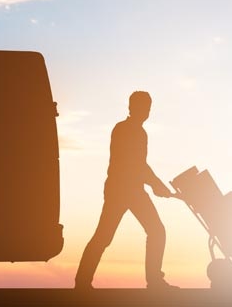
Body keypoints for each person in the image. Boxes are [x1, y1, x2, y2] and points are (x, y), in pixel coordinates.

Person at [75, 91, 178, 290]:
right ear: (131, 108)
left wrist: (155, 183)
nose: (146, 111)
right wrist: (156, 184)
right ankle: (82, 282)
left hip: (132, 190)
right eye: (143, 107)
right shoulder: (125, 130)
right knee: (105, 237)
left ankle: (154, 280)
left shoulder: (138, 131)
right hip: (120, 191)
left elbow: (140, 165)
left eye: (148, 107)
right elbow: (136, 164)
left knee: (155, 231)